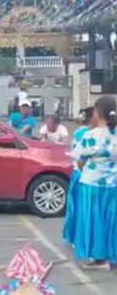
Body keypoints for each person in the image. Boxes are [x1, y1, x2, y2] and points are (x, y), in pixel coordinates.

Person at [71, 96, 117, 271]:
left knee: (93, 220)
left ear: (98, 112)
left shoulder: (90, 135)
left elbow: (79, 160)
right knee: (110, 220)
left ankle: (100, 260)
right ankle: (110, 255)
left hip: (91, 185)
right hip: (113, 185)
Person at [63, 107, 94, 245]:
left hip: (79, 173)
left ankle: (74, 237)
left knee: (77, 207)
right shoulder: (87, 133)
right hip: (85, 174)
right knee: (84, 209)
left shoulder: (79, 132)